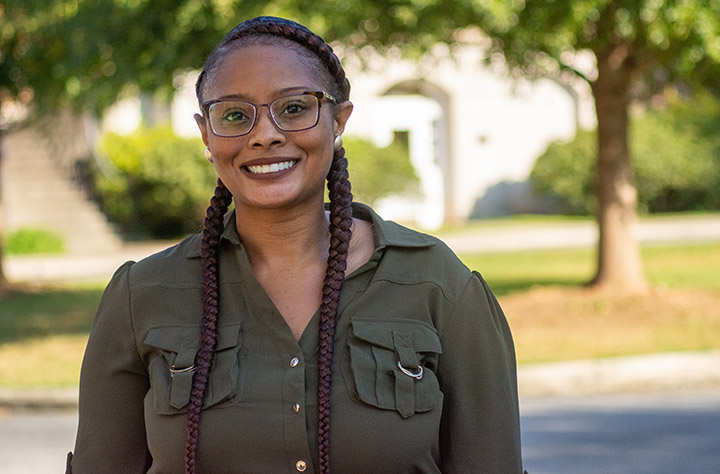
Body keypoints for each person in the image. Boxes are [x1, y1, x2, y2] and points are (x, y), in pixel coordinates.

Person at [68, 16, 525, 474]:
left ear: (339, 118)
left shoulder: (438, 285)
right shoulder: (143, 294)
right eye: (233, 115)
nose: (264, 134)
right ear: (206, 133)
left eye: (293, 108)